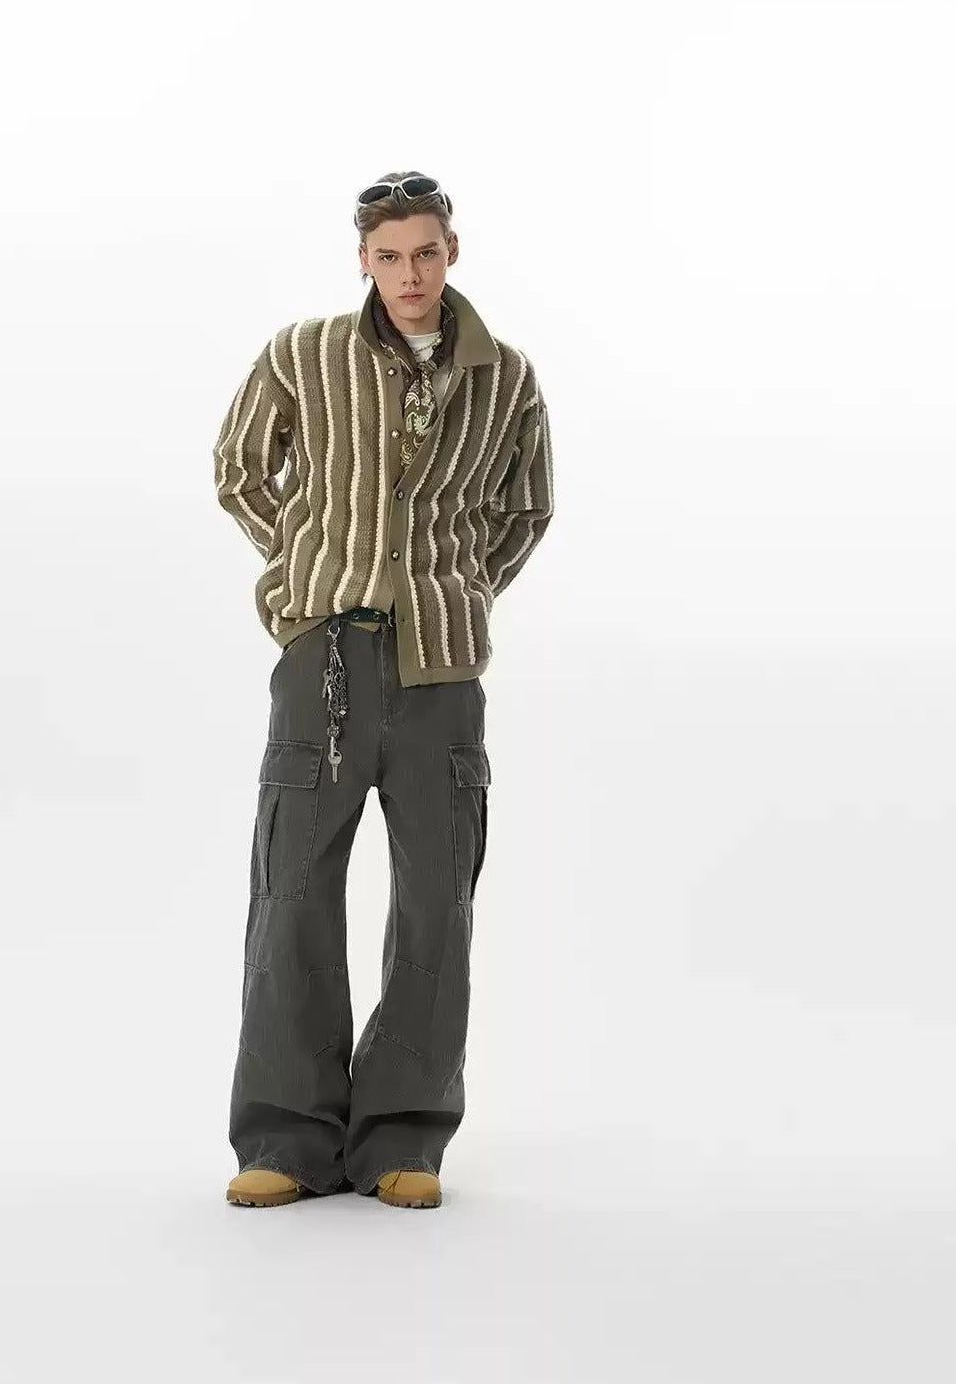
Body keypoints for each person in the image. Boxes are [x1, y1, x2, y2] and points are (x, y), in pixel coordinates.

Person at [212, 171, 555, 1209]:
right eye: (390, 255)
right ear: (362, 259)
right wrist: (306, 575)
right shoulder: (302, 354)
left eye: (427, 253)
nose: (410, 274)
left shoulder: (505, 376)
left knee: (435, 900)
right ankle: (286, 1138)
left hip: (439, 671)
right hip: (321, 658)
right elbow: (239, 470)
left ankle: (405, 1136)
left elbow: (524, 510)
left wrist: (454, 592)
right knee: (293, 890)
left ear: (452, 253)